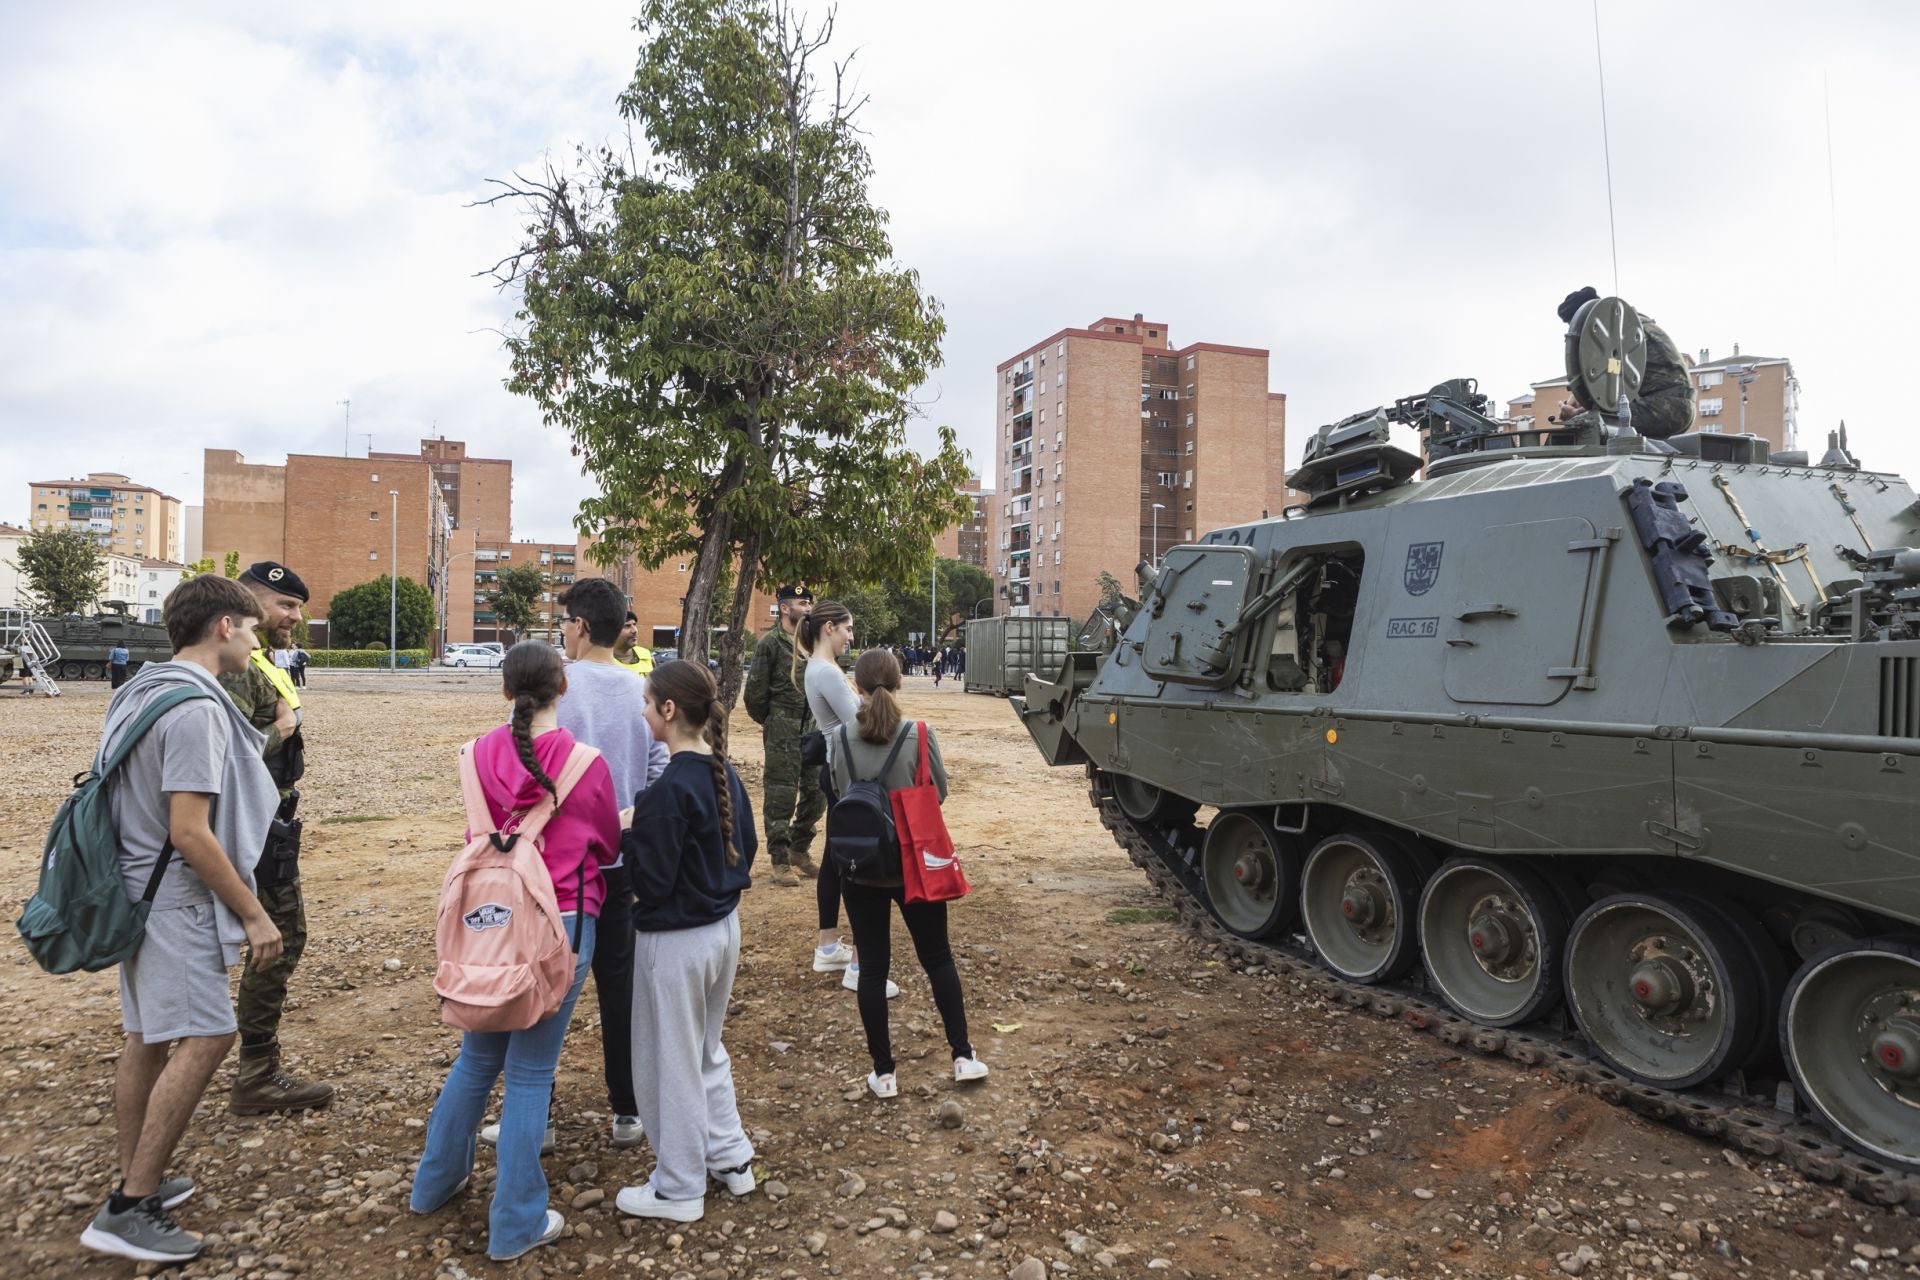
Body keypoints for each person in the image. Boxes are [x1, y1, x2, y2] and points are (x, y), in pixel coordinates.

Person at [80, 574, 284, 1264]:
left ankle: (139, 1175)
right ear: (224, 627)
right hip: (174, 901)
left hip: (134, 889)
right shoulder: (196, 709)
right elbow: (192, 832)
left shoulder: (139, 689)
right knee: (209, 1035)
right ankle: (130, 1207)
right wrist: (254, 914)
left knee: (148, 1035)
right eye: (251, 628)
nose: (257, 641)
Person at [410, 641, 621, 1261]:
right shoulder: (585, 761)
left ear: (505, 692)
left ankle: (435, 1182)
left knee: (476, 1060)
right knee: (531, 1073)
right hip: (564, 922)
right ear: (564, 686)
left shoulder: (475, 755)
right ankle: (515, 1220)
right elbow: (605, 842)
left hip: (489, 924)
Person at [479, 578, 666, 1153]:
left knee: (543, 988)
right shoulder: (643, 688)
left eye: (565, 623)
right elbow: (660, 762)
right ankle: (627, 1111)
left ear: (580, 626)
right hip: (621, 857)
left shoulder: (557, 686)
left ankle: (541, 1117)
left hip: (556, 867)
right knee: (619, 985)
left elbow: (525, 758)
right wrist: (631, 813)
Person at [617, 659, 757, 1223]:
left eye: (649, 703)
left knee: (668, 1060)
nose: (644, 711)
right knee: (705, 1051)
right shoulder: (721, 773)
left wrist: (631, 833)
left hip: (677, 942)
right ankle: (731, 1158)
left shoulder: (667, 791)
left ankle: (679, 1186)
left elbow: (651, 883)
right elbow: (743, 849)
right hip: (723, 930)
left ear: (669, 710)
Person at [830, 650, 988, 1100]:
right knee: (938, 958)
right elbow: (939, 792)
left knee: (873, 969)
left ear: (856, 686)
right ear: (899, 683)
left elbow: (842, 790)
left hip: (860, 869)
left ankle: (883, 1074)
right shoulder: (919, 733)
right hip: (914, 865)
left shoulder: (840, 736)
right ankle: (962, 1055)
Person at [220, 562, 333, 1113]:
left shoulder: (258, 660)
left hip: (269, 821)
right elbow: (228, 749)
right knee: (279, 935)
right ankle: (256, 1071)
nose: (295, 616)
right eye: (285, 605)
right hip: (251, 827)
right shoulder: (237, 665)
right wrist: (282, 728)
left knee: (275, 935)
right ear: (249, 598)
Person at [797, 600, 898, 999]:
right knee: (863, 862)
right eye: (847, 629)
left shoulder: (821, 669)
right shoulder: (825, 671)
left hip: (838, 771)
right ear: (828, 628)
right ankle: (859, 964)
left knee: (835, 859)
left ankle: (828, 946)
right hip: (848, 774)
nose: (850, 637)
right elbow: (860, 718)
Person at [742, 585, 822, 887]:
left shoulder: (813, 643)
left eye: (809, 604)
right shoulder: (771, 644)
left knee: (817, 793)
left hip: (811, 726)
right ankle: (778, 860)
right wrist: (774, 720)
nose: (808, 609)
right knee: (781, 795)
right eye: (802, 603)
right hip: (782, 727)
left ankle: (798, 849)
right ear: (785, 608)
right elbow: (754, 695)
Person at [1554, 286, 1695, 440]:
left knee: (1587, 425)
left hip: (1663, 409)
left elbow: (1609, 376)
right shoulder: (1630, 322)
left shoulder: (1613, 332)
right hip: (1678, 406)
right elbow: (1612, 376)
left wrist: (1576, 414)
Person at [613, 610, 654, 678]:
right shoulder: (603, 661)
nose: (634, 630)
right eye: (627, 626)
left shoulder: (646, 655)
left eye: (634, 624)